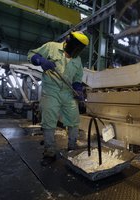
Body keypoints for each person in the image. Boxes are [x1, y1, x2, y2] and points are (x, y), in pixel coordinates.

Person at [27, 31, 89, 166]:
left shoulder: (77, 60)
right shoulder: (51, 47)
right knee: (49, 122)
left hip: (67, 93)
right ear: (69, 41)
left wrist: (78, 90)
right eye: (76, 47)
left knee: (74, 120)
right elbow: (31, 54)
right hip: (51, 91)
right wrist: (41, 60)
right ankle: (49, 152)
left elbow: (77, 79)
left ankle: (72, 148)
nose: (76, 51)